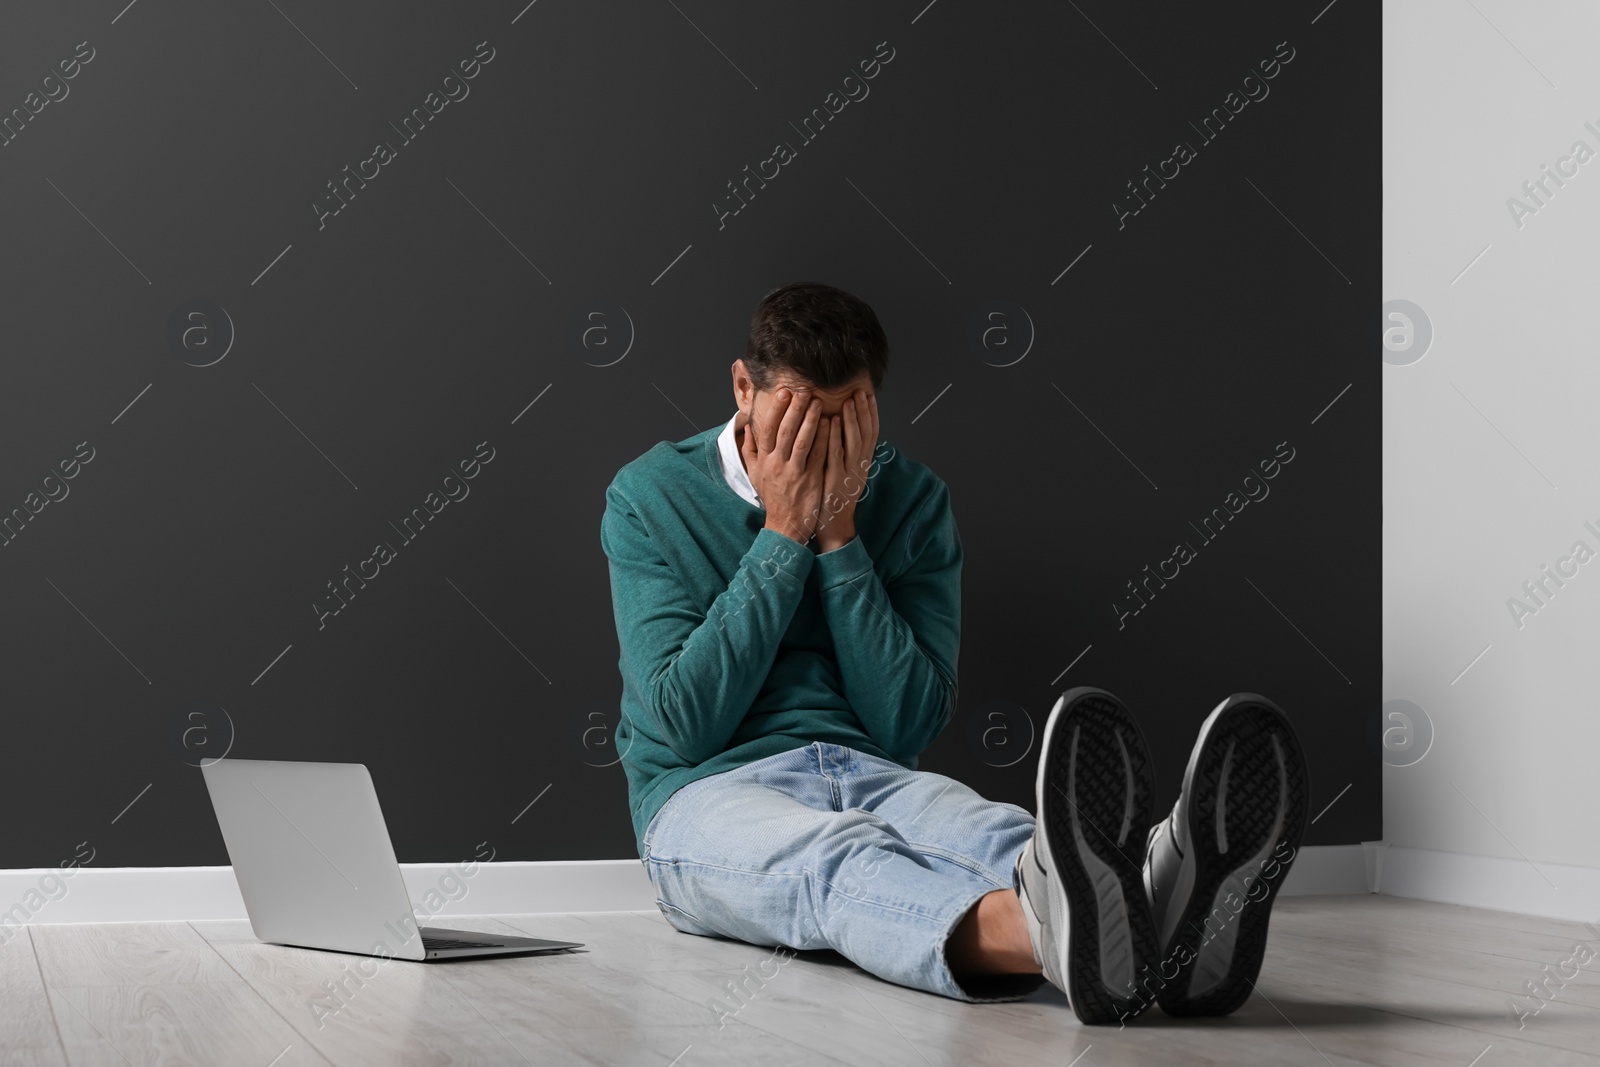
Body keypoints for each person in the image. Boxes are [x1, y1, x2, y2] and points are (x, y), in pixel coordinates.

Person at [599, 281, 1309, 1024]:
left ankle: (1161, 885)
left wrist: (841, 536)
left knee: (1002, 837)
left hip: (869, 767)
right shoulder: (650, 496)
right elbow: (684, 723)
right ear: (745, 388)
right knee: (835, 860)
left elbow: (906, 724)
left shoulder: (910, 497)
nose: (825, 445)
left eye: (849, 420)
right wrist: (784, 532)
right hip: (708, 793)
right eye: (802, 416)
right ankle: (1058, 936)